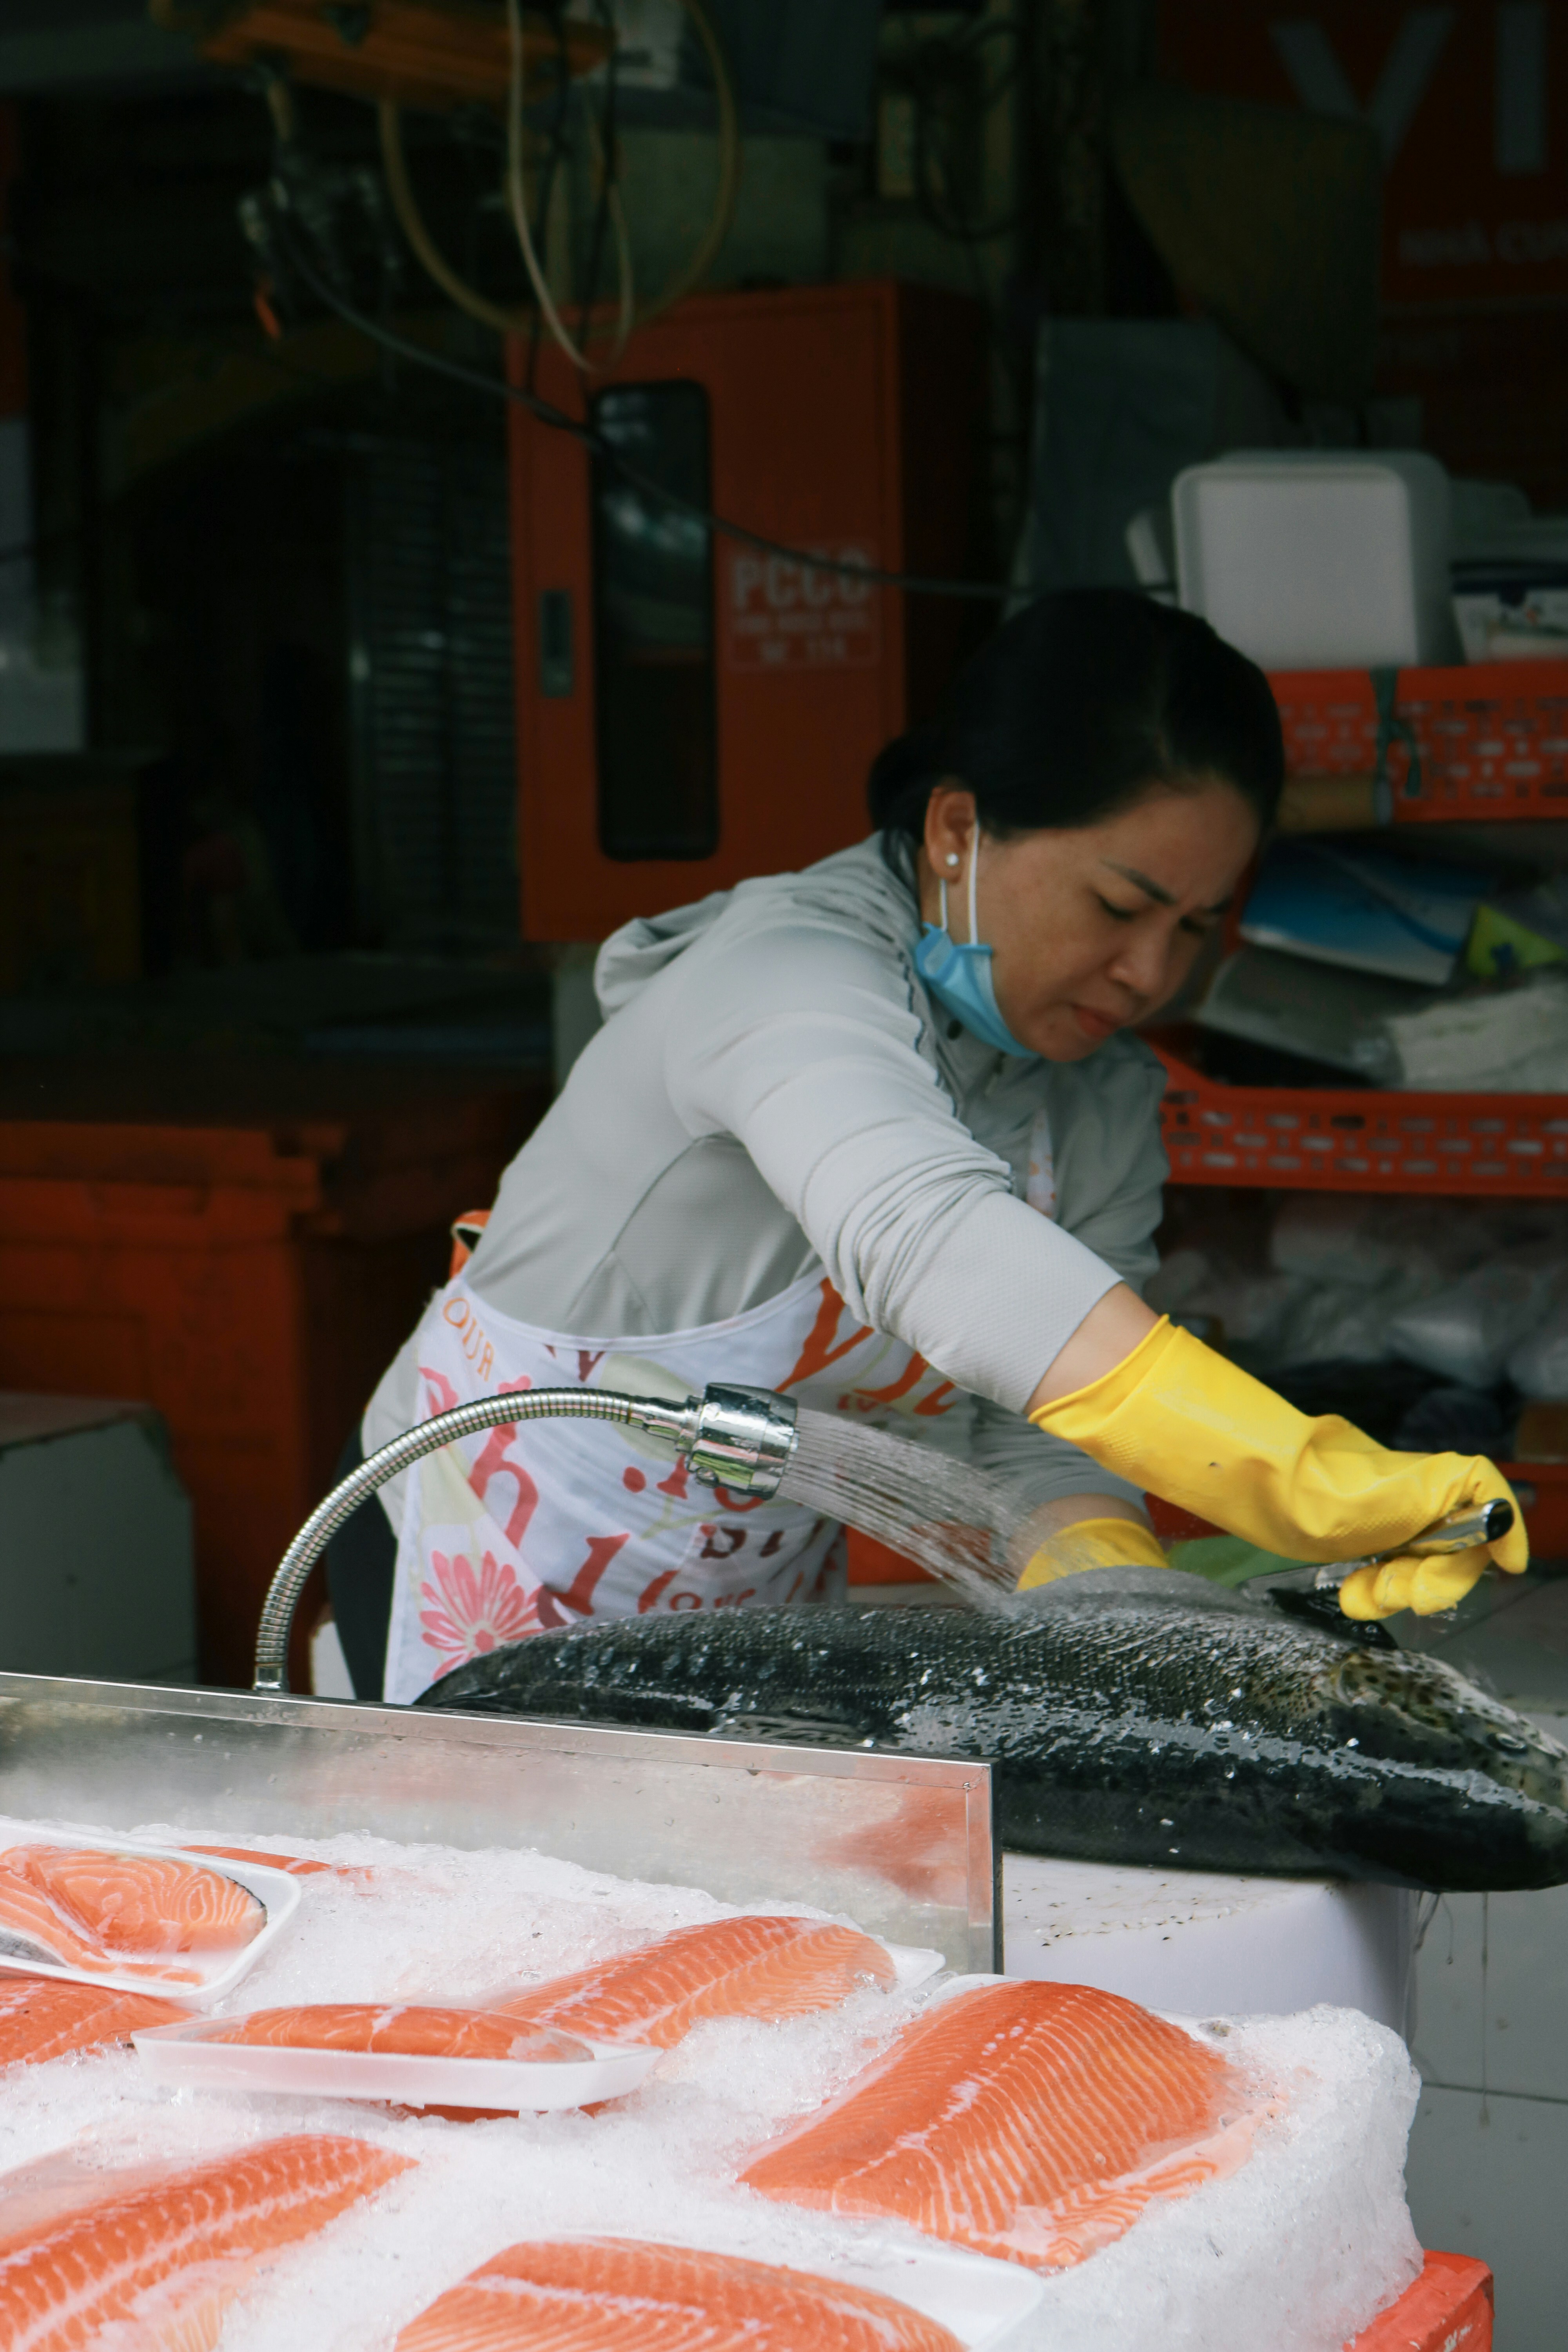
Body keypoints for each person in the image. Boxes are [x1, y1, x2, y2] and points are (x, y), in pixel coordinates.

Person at [331, 590, 1523, 1703]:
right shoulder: (784, 977)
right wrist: (1298, 1478)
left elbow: (1027, 1430)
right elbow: (930, 1241)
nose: (1152, 973)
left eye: (1195, 928)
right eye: (1118, 907)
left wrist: (1109, 1591)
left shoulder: (1093, 1099)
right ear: (960, 829)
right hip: (487, 1540)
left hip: (748, 1595)